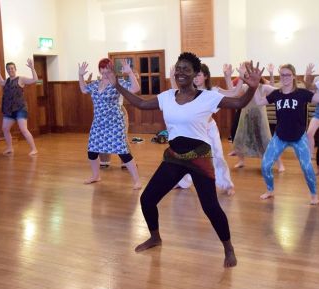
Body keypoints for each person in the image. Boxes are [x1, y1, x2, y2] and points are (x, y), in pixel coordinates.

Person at [109, 52, 263, 268]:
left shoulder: (208, 97)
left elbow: (239, 101)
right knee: (147, 199)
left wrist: (253, 87)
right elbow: (141, 104)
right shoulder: (167, 96)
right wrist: (117, 85)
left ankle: (229, 248)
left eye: (186, 69)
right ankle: (155, 237)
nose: (181, 72)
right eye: (178, 68)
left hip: (199, 156)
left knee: (210, 207)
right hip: (174, 156)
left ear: (195, 74)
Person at [254, 63, 319, 205]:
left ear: (294, 76)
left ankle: (314, 195)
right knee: (265, 165)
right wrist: (255, 84)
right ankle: (270, 190)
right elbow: (259, 101)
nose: (285, 77)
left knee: (307, 167)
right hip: (280, 136)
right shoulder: (276, 94)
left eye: (288, 74)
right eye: (282, 75)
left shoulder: (302, 93)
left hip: (299, 137)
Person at [171, 63, 238, 195]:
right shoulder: (189, 91)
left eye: (199, 74)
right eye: (193, 74)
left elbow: (234, 94)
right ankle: (183, 182)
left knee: (217, 156)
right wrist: (173, 77)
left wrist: (228, 77)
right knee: (188, 157)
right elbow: (175, 93)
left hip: (209, 129)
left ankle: (227, 185)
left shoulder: (214, 91)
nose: (195, 77)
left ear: (206, 76)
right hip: (193, 130)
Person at [78, 58, 141, 189]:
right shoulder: (95, 84)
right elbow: (84, 89)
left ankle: (137, 180)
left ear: (111, 69)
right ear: (99, 70)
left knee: (122, 151)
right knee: (92, 151)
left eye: (107, 68)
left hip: (114, 122)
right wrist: (80, 75)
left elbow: (135, 88)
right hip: (98, 123)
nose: (104, 71)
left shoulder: (117, 83)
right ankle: (96, 176)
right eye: (102, 68)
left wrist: (129, 73)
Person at [232, 62, 285, 171]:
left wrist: (271, 73)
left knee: (266, 140)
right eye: (246, 73)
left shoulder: (263, 87)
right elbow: (233, 91)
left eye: (249, 73)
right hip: (245, 115)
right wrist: (230, 76)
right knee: (240, 139)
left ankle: (280, 164)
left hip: (260, 117)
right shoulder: (245, 86)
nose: (248, 75)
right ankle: (241, 161)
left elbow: (274, 90)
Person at [0, 59, 38, 155]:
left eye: (12, 68)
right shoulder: (7, 81)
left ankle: (34, 149)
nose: (10, 70)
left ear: (15, 69)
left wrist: (32, 68)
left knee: (23, 129)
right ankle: (10, 148)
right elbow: (1, 82)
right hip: (9, 109)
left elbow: (34, 80)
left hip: (20, 108)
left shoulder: (21, 79)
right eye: (8, 69)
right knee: (5, 128)